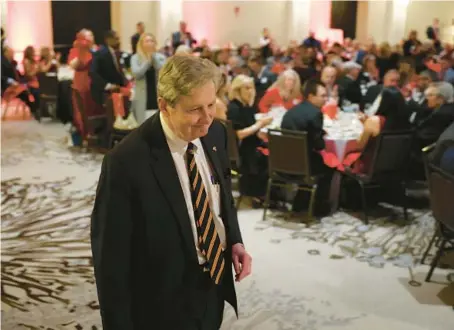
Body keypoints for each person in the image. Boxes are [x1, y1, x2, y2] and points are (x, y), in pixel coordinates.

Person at [91, 55, 252, 330]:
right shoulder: (125, 162)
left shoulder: (216, 135)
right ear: (164, 106)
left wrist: (235, 240)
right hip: (161, 303)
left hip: (213, 284)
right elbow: (111, 264)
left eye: (211, 105)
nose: (206, 119)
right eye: (194, 110)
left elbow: (220, 196)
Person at [130, 32, 166, 124]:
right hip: (142, 97)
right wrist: (147, 61)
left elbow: (163, 71)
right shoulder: (135, 58)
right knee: (143, 125)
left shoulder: (160, 57)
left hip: (157, 95)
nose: (149, 43)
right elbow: (136, 74)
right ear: (141, 44)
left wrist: (153, 58)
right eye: (147, 41)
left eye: (151, 41)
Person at [90, 30, 128, 105]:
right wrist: (107, 85)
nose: (119, 41)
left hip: (119, 91)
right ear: (108, 40)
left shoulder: (118, 53)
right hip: (106, 93)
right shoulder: (100, 54)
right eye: (116, 39)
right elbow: (93, 73)